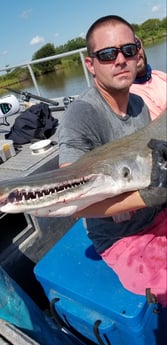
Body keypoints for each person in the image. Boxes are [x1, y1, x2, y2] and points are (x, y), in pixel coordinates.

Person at [57, 15, 167, 307]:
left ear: (138, 53)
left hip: (158, 215)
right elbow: (70, 202)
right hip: (124, 239)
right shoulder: (82, 116)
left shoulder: (139, 102)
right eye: (107, 54)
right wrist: (147, 197)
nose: (120, 60)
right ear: (90, 64)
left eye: (128, 50)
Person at [130, 36, 167, 120]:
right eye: (129, 50)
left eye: (137, 44)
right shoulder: (132, 95)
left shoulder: (157, 74)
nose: (135, 51)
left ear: (143, 46)